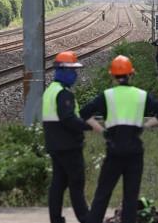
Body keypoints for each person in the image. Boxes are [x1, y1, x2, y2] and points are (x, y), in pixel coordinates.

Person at [80, 55, 158, 223]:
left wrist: (102, 131)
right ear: (131, 74)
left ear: (113, 76)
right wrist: (145, 126)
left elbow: (84, 113)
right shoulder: (141, 95)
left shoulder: (107, 96)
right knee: (130, 196)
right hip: (135, 152)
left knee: (103, 193)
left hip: (114, 151)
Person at [42, 51, 103, 223]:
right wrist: (88, 126)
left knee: (58, 184)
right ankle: (85, 218)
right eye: (73, 71)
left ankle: (56, 219)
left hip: (54, 145)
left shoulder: (50, 91)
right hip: (68, 146)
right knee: (77, 183)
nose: (75, 74)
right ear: (63, 71)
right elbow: (68, 119)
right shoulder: (64, 94)